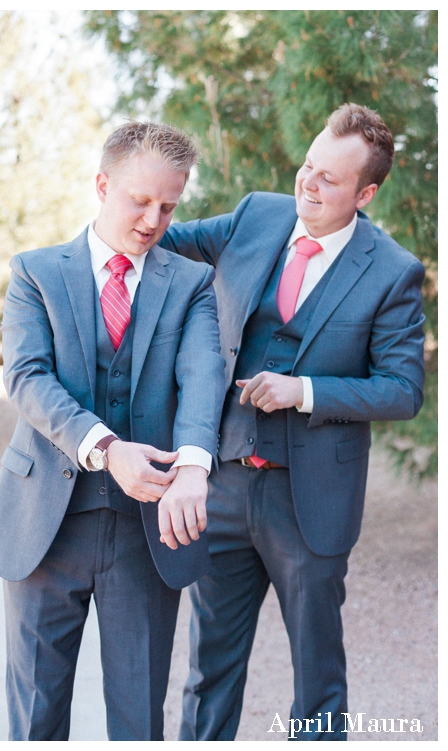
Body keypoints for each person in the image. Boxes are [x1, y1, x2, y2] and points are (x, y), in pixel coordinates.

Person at [158, 103, 426, 741]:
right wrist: (126, 212)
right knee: (208, 673)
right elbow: (164, 239)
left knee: (318, 679)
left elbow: (402, 390)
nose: (308, 183)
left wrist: (304, 390)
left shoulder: (392, 271)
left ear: (366, 193)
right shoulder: (259, 213)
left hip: (311, 503)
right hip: (220, 487)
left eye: (329, 179)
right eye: (308, 165)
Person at [0, 121, 226, 741]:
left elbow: (202, 375)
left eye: (168, 205)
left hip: (147, 536)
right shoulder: (36, 273)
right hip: (43, 528)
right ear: (102, 184)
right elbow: (28, 377)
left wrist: (194, 466)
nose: (153, 219)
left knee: (139, 721)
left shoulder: (190, 283)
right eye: (140, 200)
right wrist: (107, 450)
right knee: (36, 717)